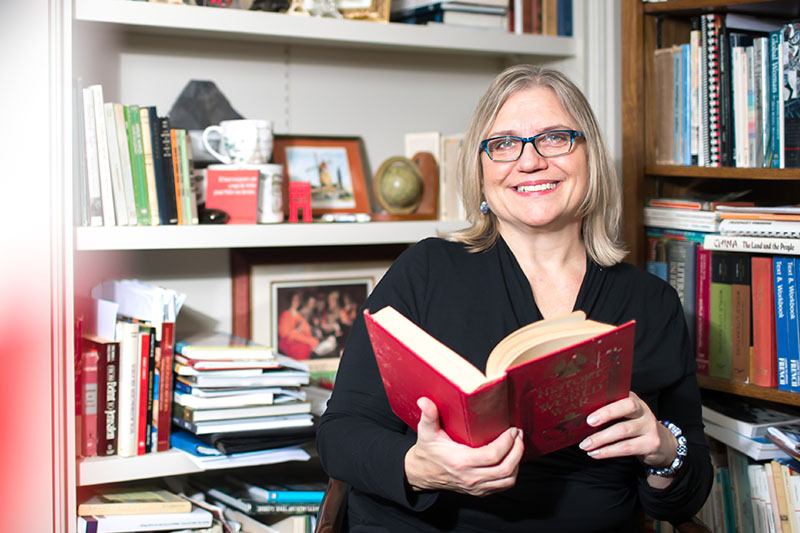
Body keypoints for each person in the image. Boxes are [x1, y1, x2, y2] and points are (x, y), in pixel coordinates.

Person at [316, 65, 713, 531]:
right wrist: (421, 468)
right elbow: (339, 434)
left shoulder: (652, 302)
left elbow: (683, 499)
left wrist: (663, 451)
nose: (529, 162)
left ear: (591, 157)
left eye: (554, 138)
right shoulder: (425, 272)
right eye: (503, 144)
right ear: (481, 171)